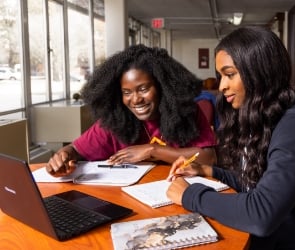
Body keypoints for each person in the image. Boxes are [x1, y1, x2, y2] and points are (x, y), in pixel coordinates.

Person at [166, 27, 295, 250]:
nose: (222, 86)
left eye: (230, 74)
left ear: (259, 72)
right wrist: (209, 171)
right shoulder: (267, 114)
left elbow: (261, 215)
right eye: (220, 76)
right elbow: (256, 185)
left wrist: (189, 195)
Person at [46, 44, 216, 177]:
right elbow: (76, 149)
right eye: (127, 92)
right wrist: (63, 156)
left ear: (162, 86)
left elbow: (210, 157)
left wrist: (152, 150)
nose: (135, 99)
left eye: (143, 89)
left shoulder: (186, 112)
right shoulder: (115, 120)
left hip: (179, 193)